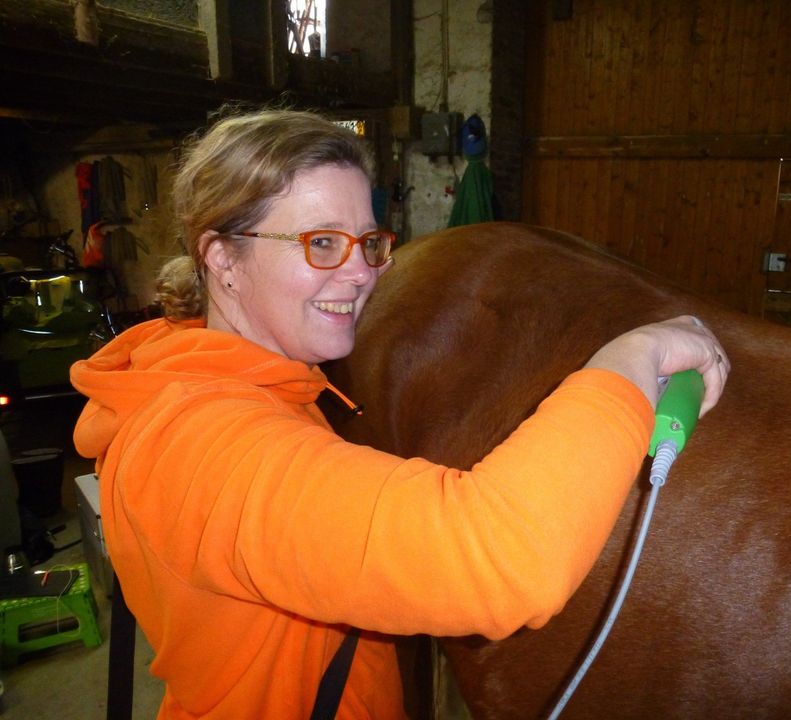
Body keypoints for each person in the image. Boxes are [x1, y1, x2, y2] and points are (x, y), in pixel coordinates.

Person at [71, 108, 730, 720]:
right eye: (321, 242)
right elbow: (500, 560)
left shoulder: (252, 383)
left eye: (368, 242)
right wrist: (632, 359)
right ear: (223, 259)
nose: (361, 272)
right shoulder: (203, 443)